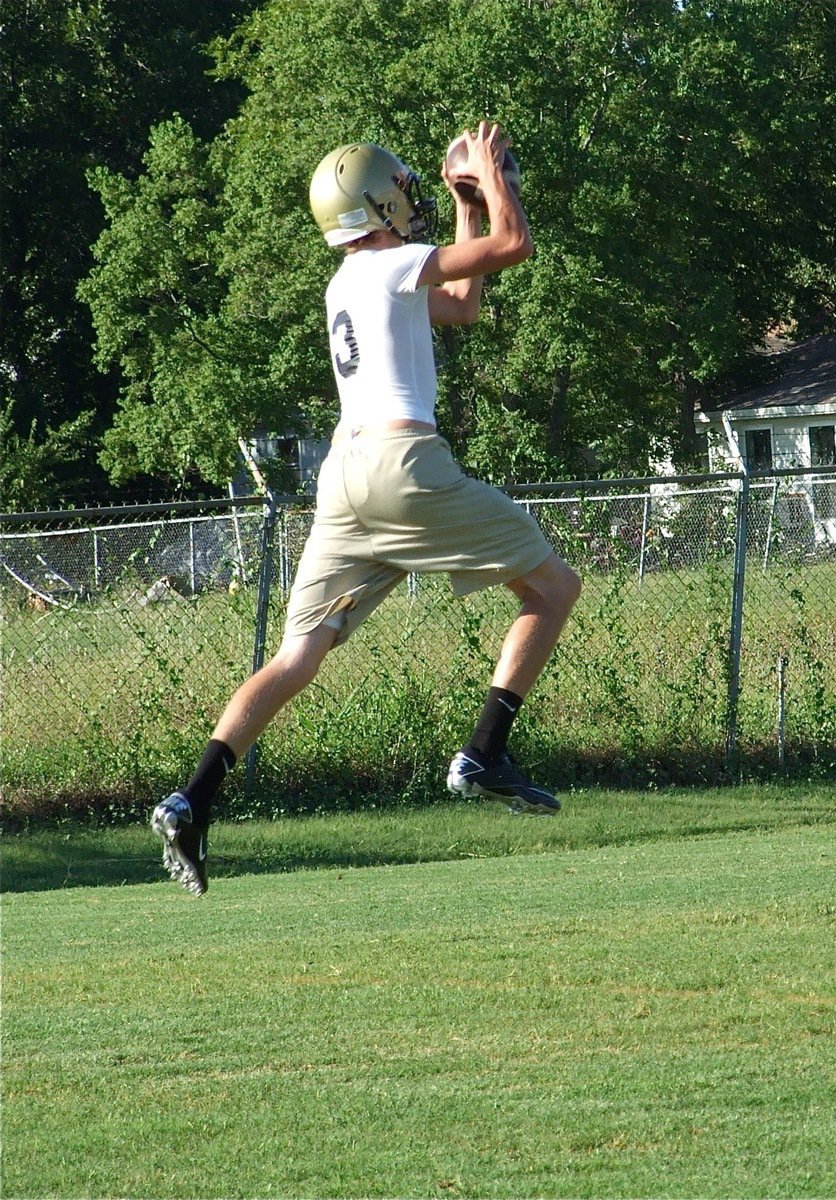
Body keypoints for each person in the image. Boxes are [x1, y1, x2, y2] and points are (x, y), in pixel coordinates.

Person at [151, 121, 581, 897]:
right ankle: (484, 751)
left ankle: (192, 799)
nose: (411, 206)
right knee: (553, 589)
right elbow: (513, 249)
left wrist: (463, 208)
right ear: (376, 206)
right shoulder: (388, 266)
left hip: (343, 478)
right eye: (403, 196)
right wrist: (491, 180)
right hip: (400, 463)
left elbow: (461, 306)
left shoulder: (350, 280)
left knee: (296, 657)